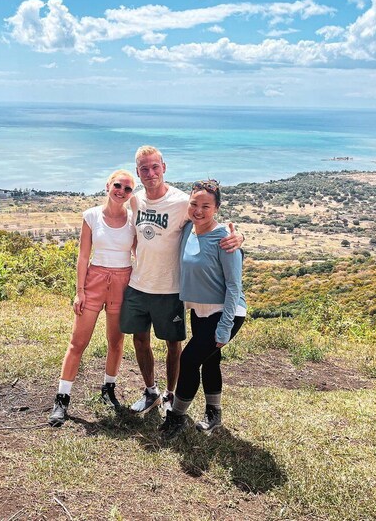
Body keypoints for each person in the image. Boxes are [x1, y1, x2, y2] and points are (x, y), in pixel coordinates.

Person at [121, 146, 243, 416]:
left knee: (173, 346)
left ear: (164, 167)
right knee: (139, 340)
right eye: (144, 168)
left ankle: (170, 395)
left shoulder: (180, 202)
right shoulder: (136, 201)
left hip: (170, 288)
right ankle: (151, 391)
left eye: (155, 167)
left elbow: (211, 221)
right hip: (139, 283)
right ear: (138, 172)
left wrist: (239, 237)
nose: (150, 173)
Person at [48, 169, 137, 427]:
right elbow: (83, 257)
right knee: (78, 342)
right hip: (94, 281)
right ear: (108, 185)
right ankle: (62, 398)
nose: (121, 191)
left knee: (116, 342)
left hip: (123, 282)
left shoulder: (133, 220)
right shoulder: (91, 216)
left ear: (132, 194)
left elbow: (140, 253)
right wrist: (80, 291)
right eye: (118, 185)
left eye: (128, 188)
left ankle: (108, 389)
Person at [158, 179, 246, 439]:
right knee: (210, 361)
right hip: (199, 311)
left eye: (205, 206)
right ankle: (214, 413)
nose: (198, 210)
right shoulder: (189, 230)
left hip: (225, 313)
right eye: (194, 204)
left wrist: (224, 328)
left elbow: (234, 287)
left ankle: (176, 417)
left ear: (216, 208)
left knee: (188, 360)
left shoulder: (224, 240)